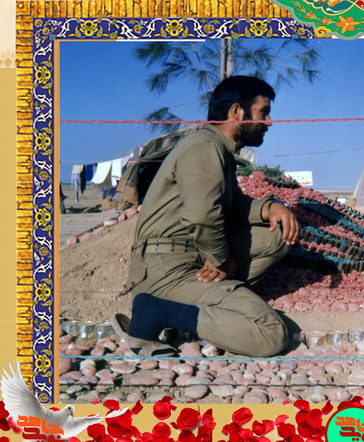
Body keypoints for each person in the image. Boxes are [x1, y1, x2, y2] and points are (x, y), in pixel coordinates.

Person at [113, 76, 300, 357]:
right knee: (271, 334)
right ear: (237, 112)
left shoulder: (216, 147)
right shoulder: (204, 147)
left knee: (278, 235)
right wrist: (220, 259)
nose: (269, 122)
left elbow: (230, 207)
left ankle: (211, 301)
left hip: (188, 256)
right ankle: (157, 310)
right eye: (263, 112)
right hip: (168, 269)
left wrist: (270, 207)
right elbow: (202, 216)